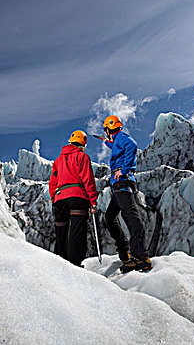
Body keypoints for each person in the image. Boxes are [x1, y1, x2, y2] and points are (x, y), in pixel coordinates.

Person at [101, 115, 152, 273]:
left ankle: (141, 257)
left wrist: (123, 170)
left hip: (122, 180)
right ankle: (125, 251)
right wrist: (106, 141)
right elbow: (117, 147)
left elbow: (132, 145)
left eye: (106, 130)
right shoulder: (117, 139)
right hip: (118, 185)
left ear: (109, 128)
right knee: (110, 217)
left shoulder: (123, 138)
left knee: (130, 214)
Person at [49, 130, 98, 267]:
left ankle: (59, 262)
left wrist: (54, 199)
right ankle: (74, 265)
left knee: (61, 232)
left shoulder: (58, 161)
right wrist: (93, 201)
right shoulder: (82, 156)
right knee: (76, 231)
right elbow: (87, 180)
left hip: (60, 199)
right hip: (77, 197)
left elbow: (52, 182)